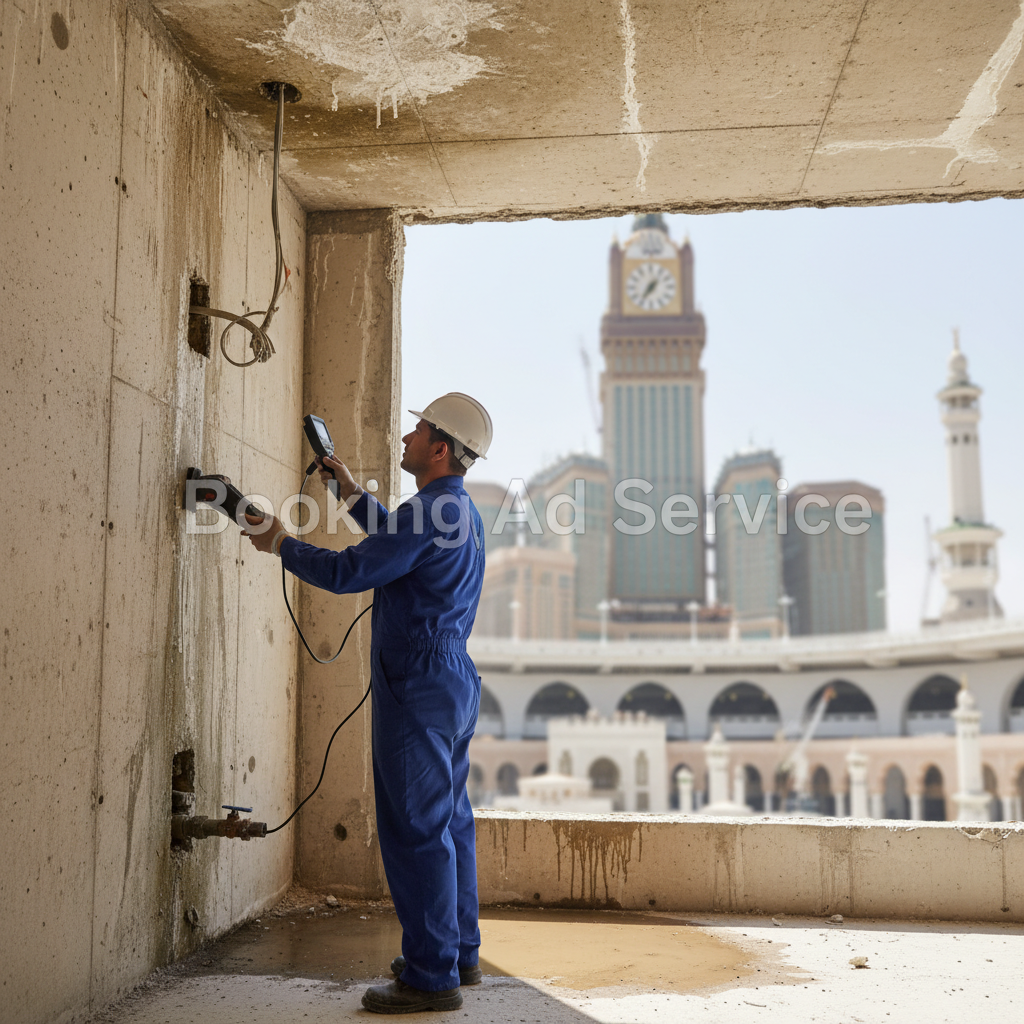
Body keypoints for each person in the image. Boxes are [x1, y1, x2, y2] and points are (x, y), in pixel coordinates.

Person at [244, 393, 492, 1014]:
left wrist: (279, 542)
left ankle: (431, 978)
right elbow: (396, 545)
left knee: (416, 830)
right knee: (449, 822)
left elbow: (355, 571)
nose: (407, 439)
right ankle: (458, 953)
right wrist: (349, 491)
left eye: (417, 431)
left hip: (417, 679)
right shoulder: (456, 510)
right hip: (453, 679)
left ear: (440, 448)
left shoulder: (428, 511)